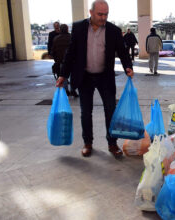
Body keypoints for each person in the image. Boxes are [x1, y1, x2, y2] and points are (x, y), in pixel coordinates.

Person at [55, 0, 134, 158]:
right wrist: (63, 75)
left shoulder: (113, 30)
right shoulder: (78, 28)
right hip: (84, 77)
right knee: (86, 112)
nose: (103, 17)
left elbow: (123, 51)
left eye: (106, 14)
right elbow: (70, 53)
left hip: (105, 77)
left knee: (110, 111)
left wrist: (128, 66)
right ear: (91, 12)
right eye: (100, 14)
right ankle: (87, 143)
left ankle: (112, 143)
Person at [51, 24, 78, 97]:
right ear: (67, 29)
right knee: (73, 76)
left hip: (62, 61)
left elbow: (53, 51)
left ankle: (66, 90)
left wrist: (56, 60)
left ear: (60, 29)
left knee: (64, 75)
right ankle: (73, 90)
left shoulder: (56, 38)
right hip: (72, 60)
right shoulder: (71, 37)